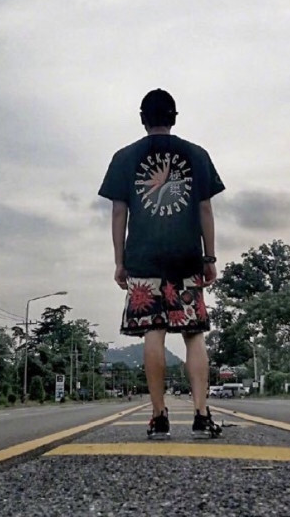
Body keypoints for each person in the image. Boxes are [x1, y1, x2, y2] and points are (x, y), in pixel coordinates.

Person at [98, 88, 225, 439]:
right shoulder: (196, 155)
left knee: (153, 333)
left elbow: (119, 212)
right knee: (193, 334)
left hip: (143, 259)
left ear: (142, 119)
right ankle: (201, 414)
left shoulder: (124, 157)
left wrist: (119, 261)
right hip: (187, 257)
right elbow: (205, 208)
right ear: (174, 118)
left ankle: (158, 416)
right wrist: (209, 257)